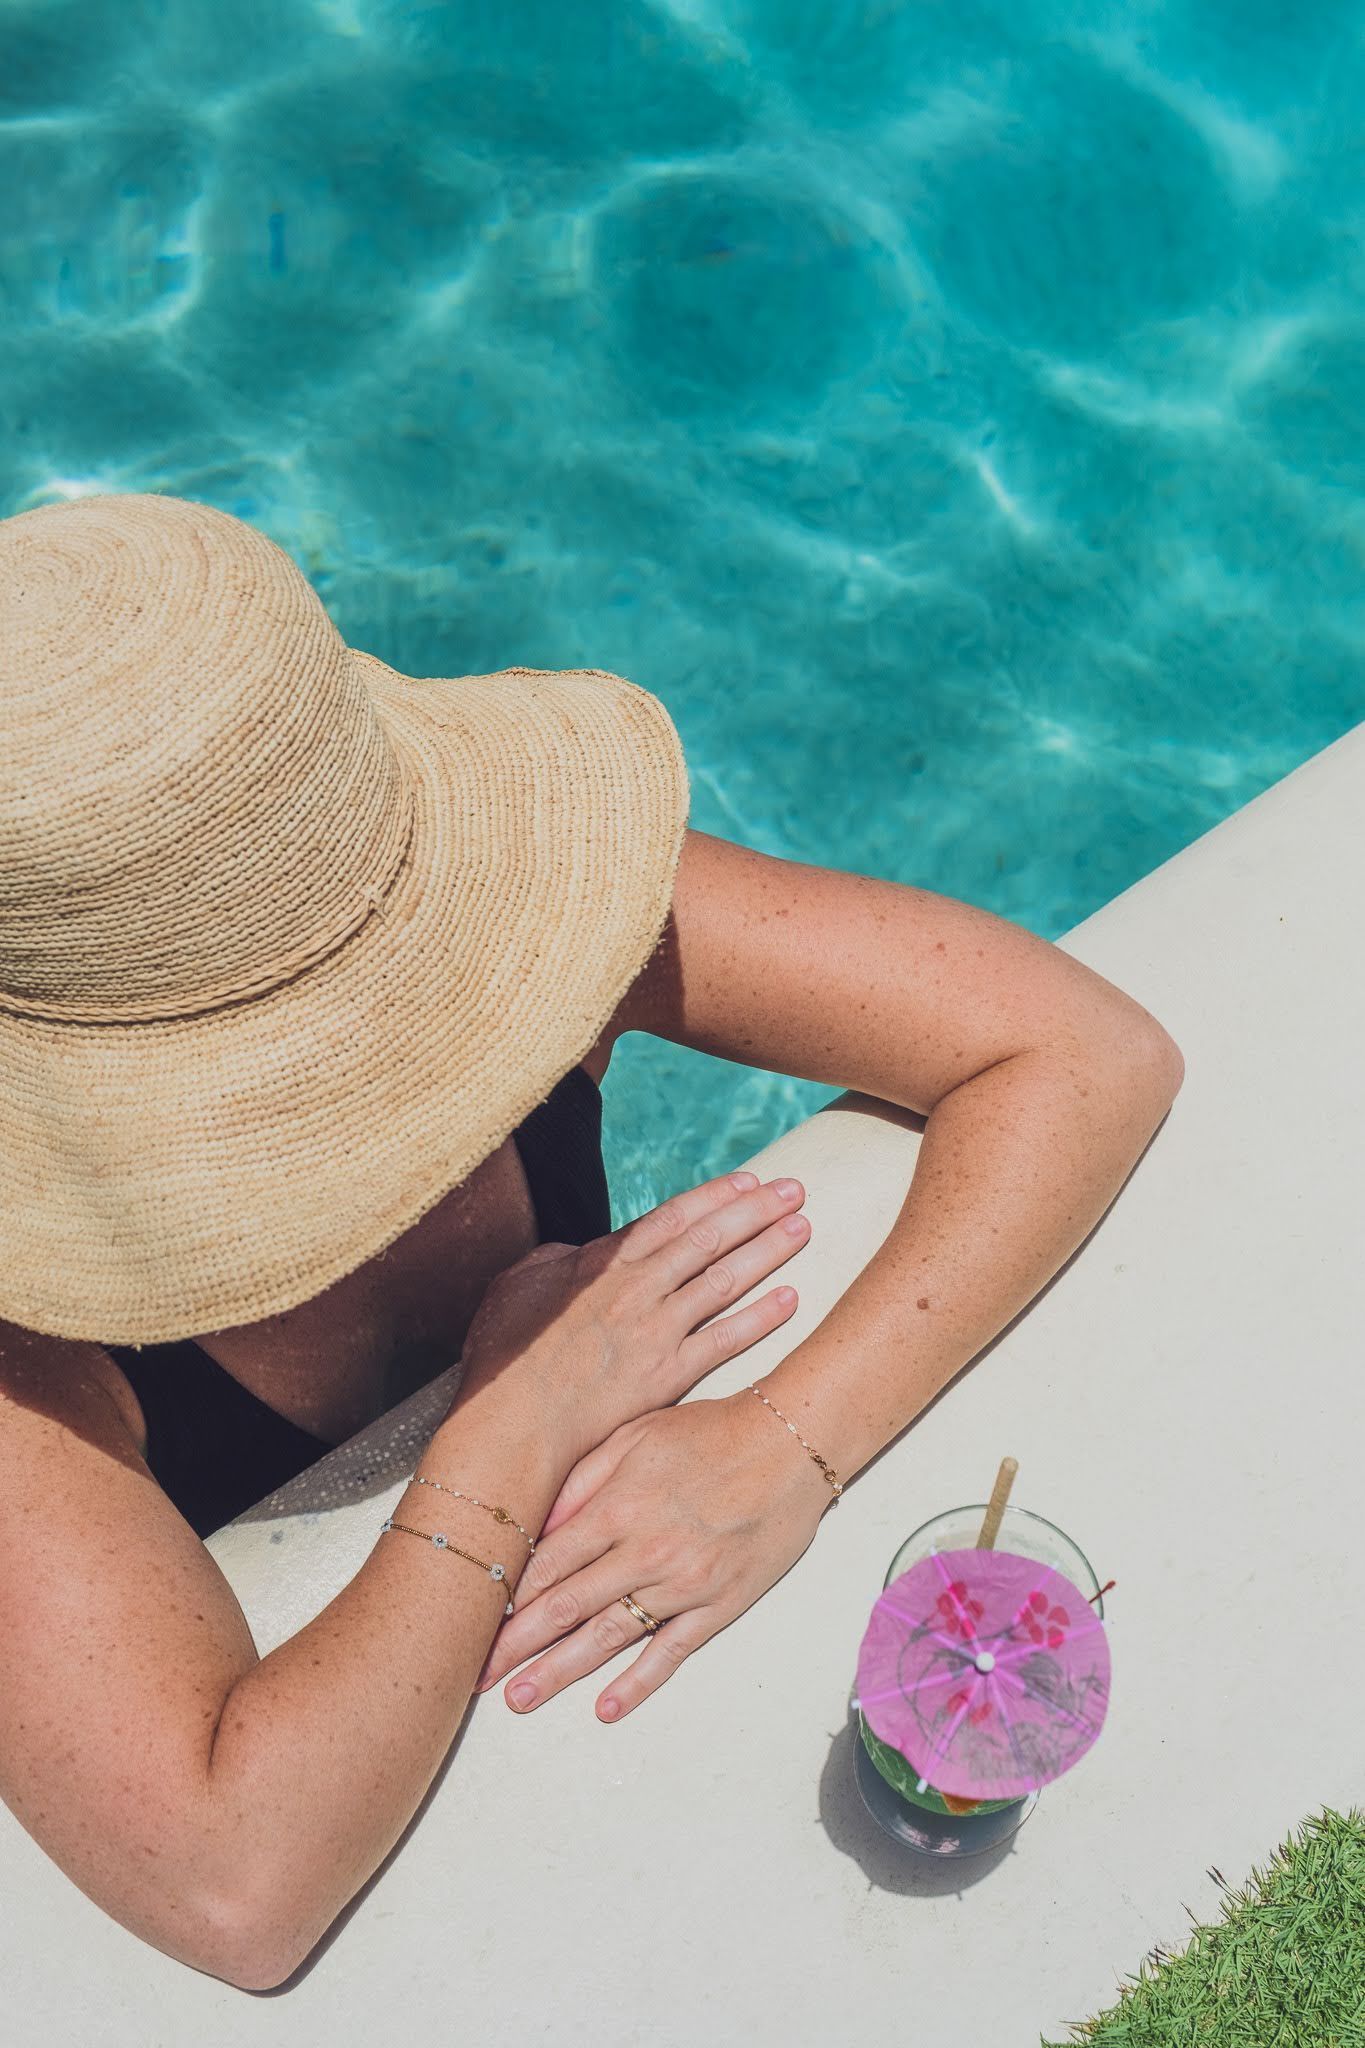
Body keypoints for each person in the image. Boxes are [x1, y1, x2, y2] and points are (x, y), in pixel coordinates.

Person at [0, 492, 1183, 1990]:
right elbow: (234, 1881)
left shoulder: (513, 906)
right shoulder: (26, 1328)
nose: (381, 1063)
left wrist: (786, 1442)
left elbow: (1083, 1054)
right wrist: (515, 1423)